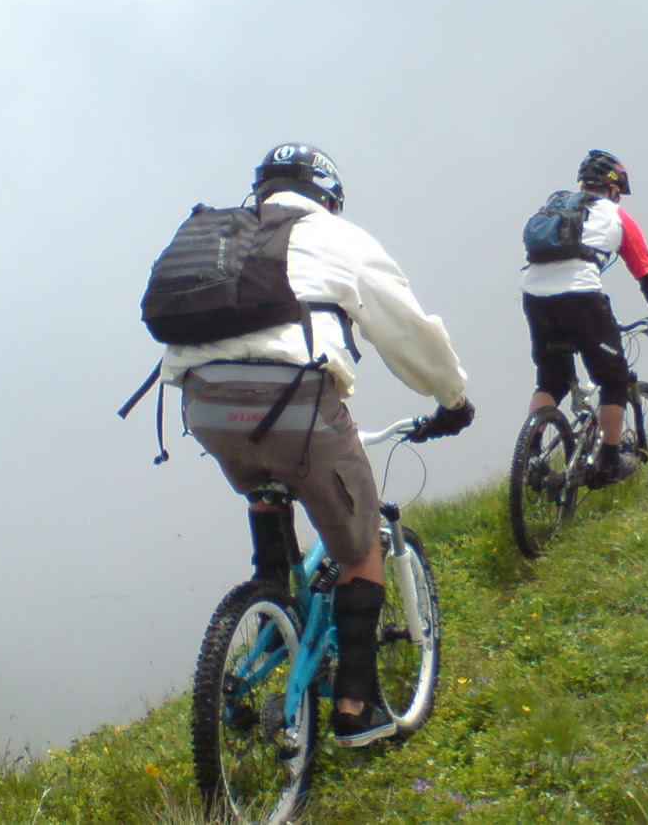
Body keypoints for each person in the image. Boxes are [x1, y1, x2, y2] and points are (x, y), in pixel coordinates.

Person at [159, 142, 474, 748]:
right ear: (327, 193)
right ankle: (358, 706)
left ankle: (272, 598)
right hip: (297, 407)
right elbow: (408, 330)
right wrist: (452, 397)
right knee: (358, 551)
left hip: (204, 404)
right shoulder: (340, 237)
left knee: (263, 481)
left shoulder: (224, 243)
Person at [520, 149, 648, 487]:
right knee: (615, 380)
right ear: (612, 188)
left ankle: (530, 459)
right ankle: (609, 462)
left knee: (550, 381)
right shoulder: (616, 216)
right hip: (580, 298)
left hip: (534, 296)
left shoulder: (557, 206)